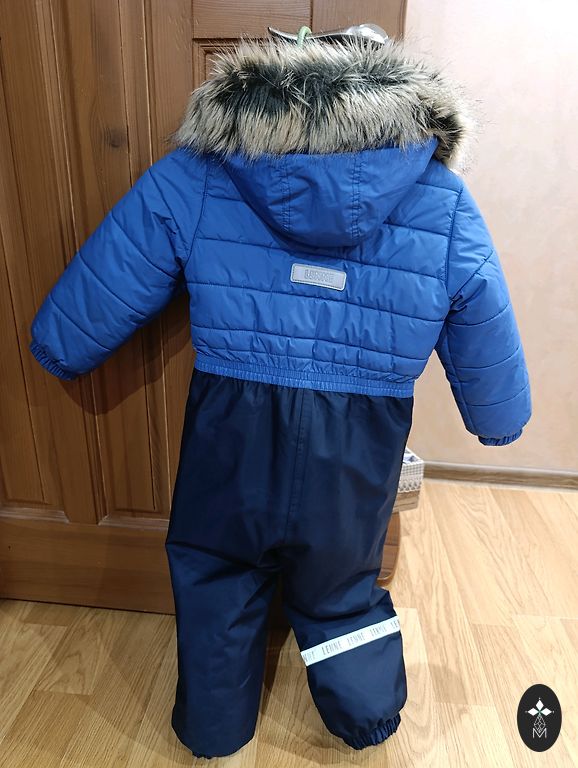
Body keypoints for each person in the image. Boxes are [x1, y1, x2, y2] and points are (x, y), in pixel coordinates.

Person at [28, 24, 532, 758]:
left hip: (231, 421)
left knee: (217, 573)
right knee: (340, 586)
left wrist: (61, 342)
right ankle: (366, 717)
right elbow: (481, 304)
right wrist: (499, 416)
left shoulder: (200, 172)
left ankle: (213, 728)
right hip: (358, 439)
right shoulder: (442, 199)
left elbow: (123, 259)